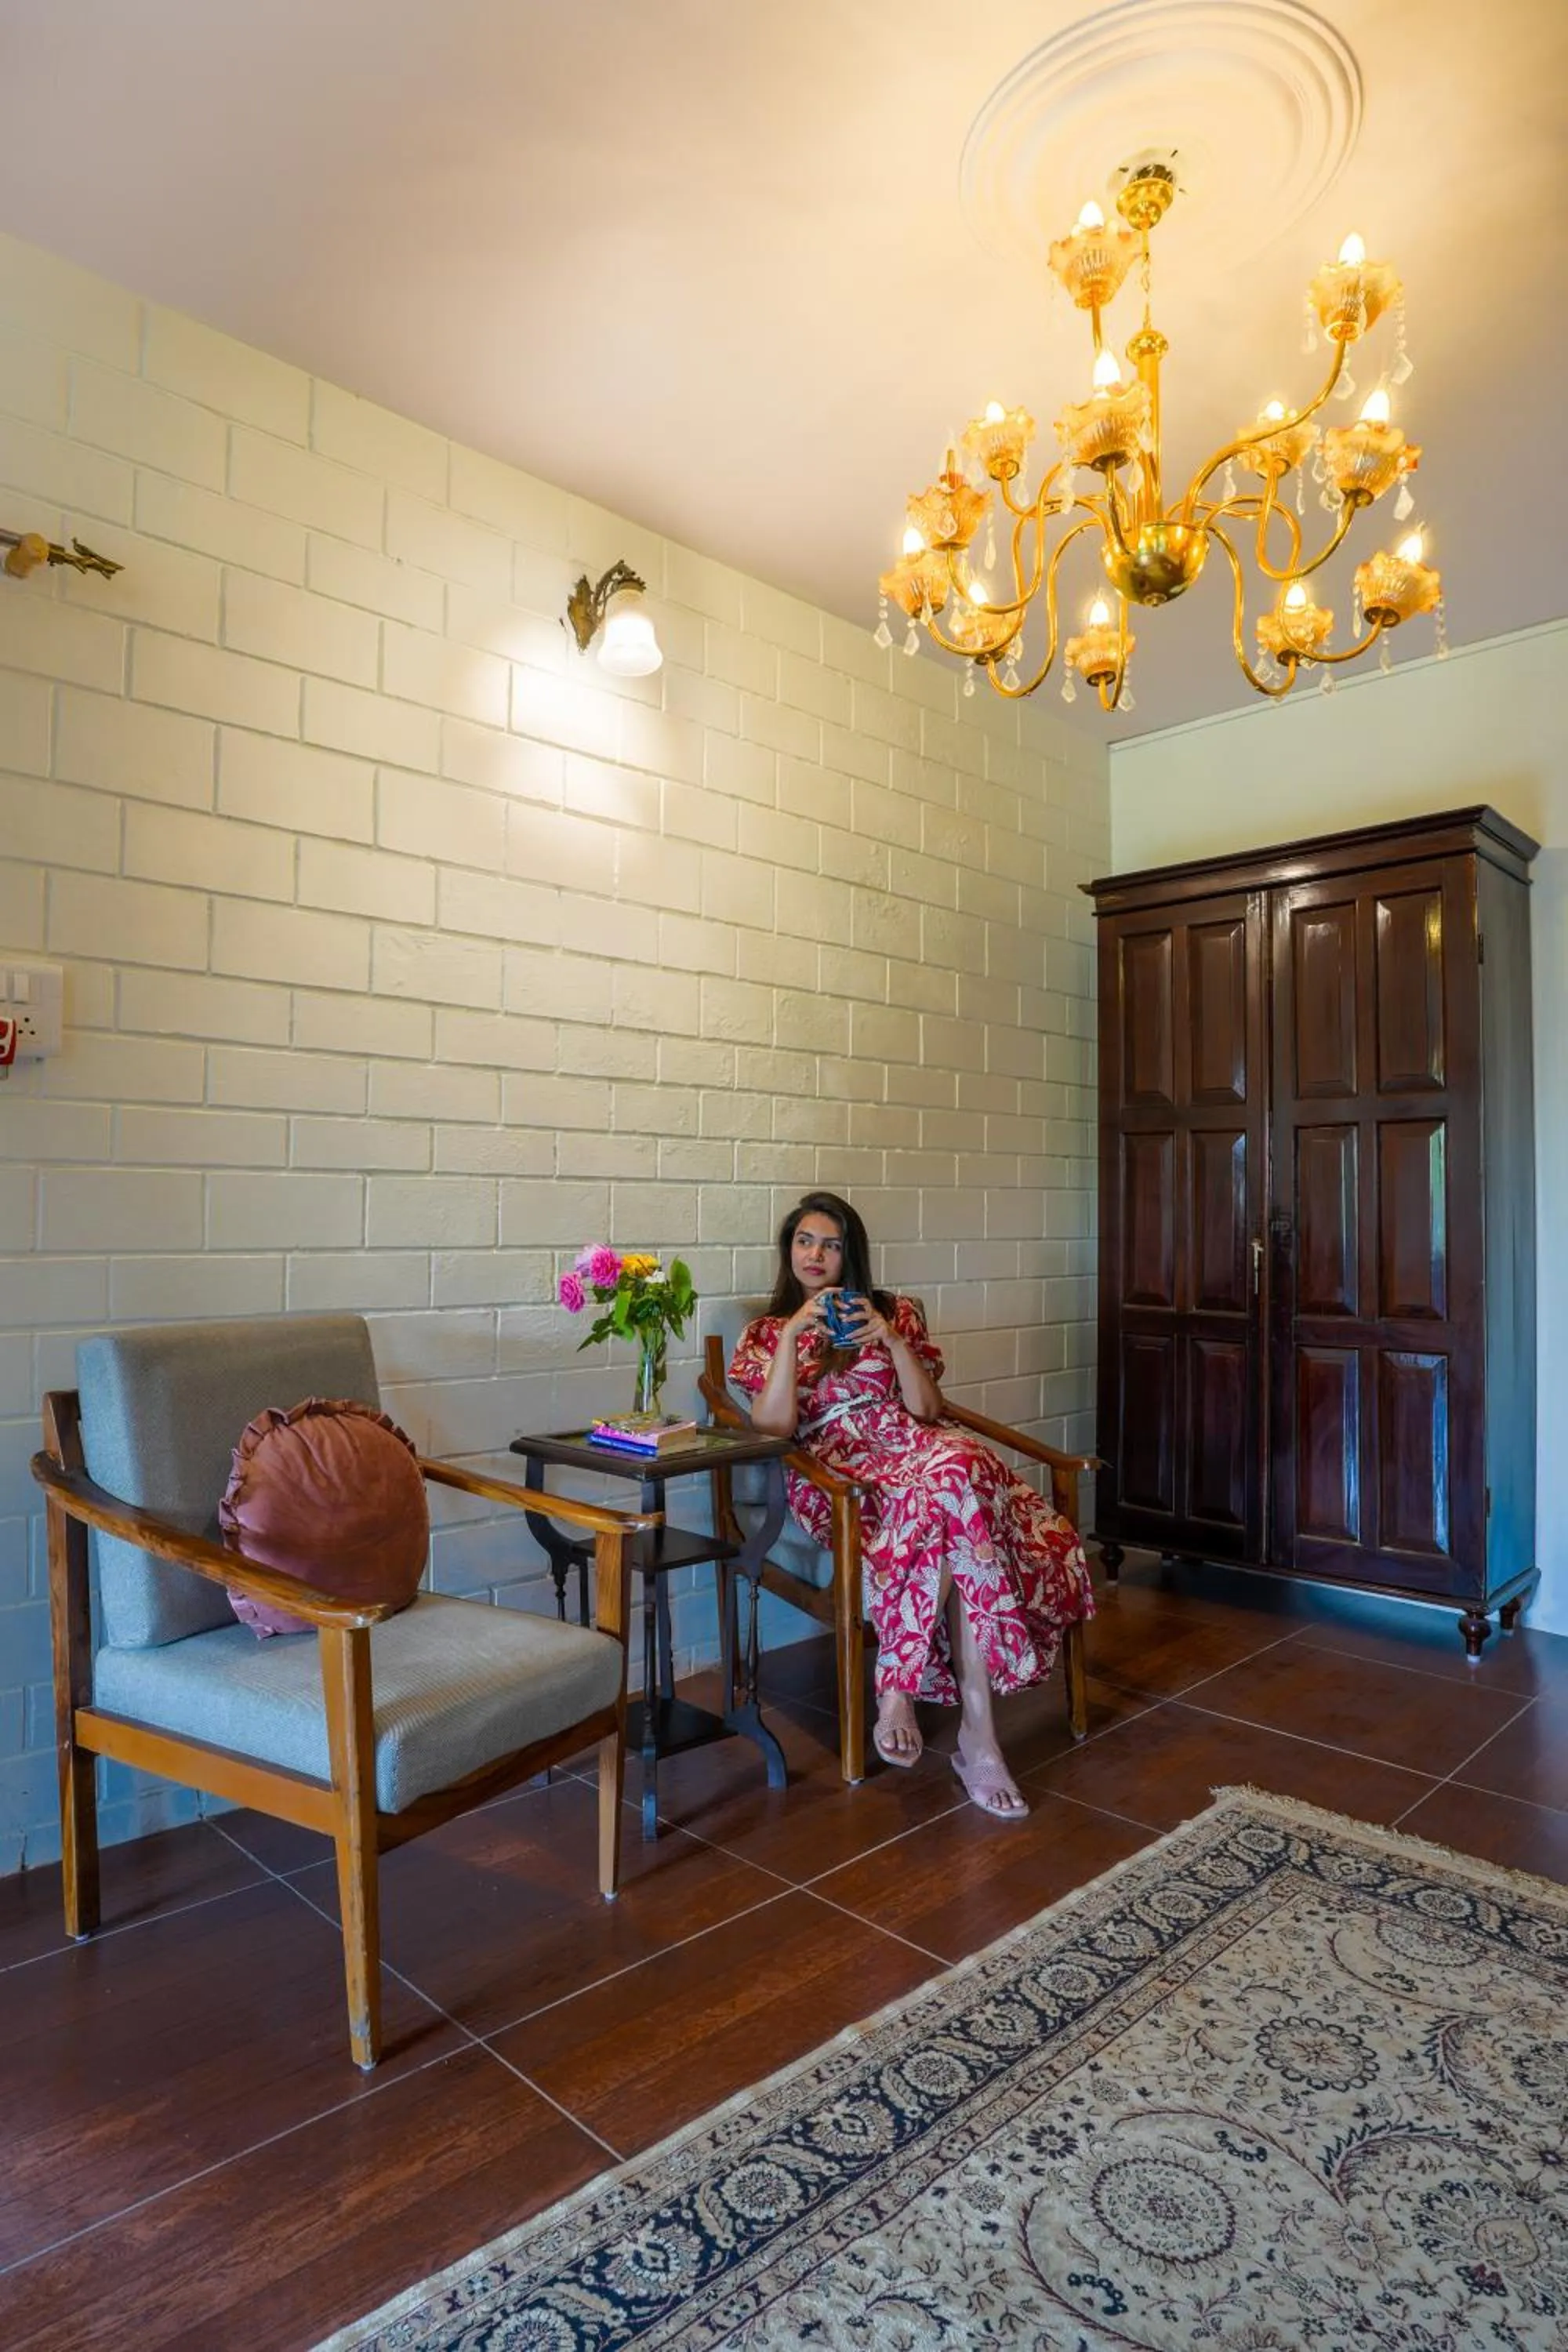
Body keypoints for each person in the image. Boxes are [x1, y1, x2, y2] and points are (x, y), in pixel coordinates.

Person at [731, 1191, 1094, 1820]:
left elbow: (928, 1410)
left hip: (914, 1446)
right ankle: (976, 1739)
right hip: (841, 1474)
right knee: (958, 1500)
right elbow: (775, 1427)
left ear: (851, 1255)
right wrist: (793, 1334)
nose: (815, 1255)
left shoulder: (892, 1312)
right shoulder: (766, 1333)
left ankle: (905, 1690)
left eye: (831, 1245)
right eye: (804, 1242)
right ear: (788, 1250)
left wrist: (892, 1339)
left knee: (955, 1470)